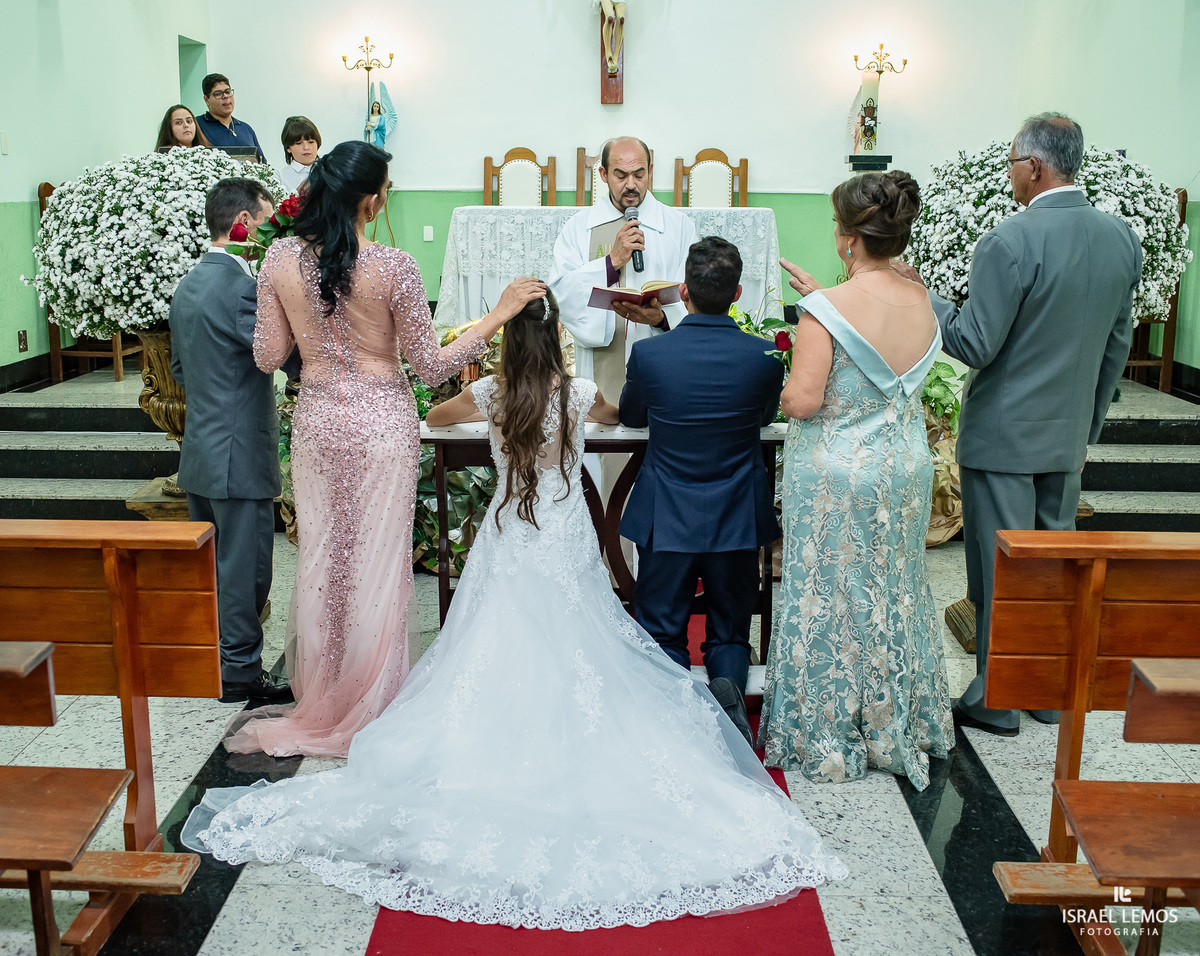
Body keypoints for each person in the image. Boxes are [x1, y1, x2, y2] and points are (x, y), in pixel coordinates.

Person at [181, 289, 846, 928]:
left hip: (509, 538)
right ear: (556, 338)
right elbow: (621, 419)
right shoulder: (578, 395)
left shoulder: (490, 393)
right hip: (563, 538)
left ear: (507, 339)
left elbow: (434, 419)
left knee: (493, 642)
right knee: (579, 638)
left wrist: (474, 404)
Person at [222, 140, 542, 757]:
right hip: (380, 424)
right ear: (372, 200)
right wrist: (497, 316)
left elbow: (265, 356)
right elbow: (429, 366)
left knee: (323, 558)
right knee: (375, 561)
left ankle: (322, 694)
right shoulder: (393, 267)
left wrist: (312, 338)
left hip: (317, 419)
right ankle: (368, 702)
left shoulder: (280, 258)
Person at [927, 113, 1141, 736]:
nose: (1009, 171)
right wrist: (1087, 429)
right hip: (1066, 437)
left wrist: (929, 301)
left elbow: (973, 342)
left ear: (1035, 167)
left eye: (1013, 160)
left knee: (1001, 569)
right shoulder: (1120, 239)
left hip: (1002, 440)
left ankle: (996, 697)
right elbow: (1116, 345)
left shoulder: (1009, 242)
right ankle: (1045, 694)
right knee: (1054, 567)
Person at [756, 171, 955, 789]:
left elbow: (805, 400)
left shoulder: (824, 310)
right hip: (904, 468)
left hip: (841, 475)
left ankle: (832, 728)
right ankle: (902, 719)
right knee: (894, 588)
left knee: (835, 596)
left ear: (847, 238)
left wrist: (787, 369)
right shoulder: (921, 298)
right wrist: (828, 304)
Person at [619, 236, 785, 747]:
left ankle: (670, 718)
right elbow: (762, 419)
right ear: (736, 293)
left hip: (667, 510)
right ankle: (728, 687)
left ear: (684, 291)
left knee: (663, 626)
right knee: (729, 629)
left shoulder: (651, 356)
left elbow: (631, 417)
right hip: (735, 512)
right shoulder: (763, 357)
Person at [169, 178, 293, 704]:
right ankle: (240, 674)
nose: (270, 234)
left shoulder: (187, 284)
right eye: (267, 221)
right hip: (237, 454)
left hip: (200, 451)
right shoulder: (243, 287)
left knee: (218, 571)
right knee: (246, 572)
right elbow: (279, 356)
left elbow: (178, 368)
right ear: (244, 223)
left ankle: (219, 663)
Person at [549, 136, 696, 395]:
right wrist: (611, 263)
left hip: (661, 359)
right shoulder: (579, 227)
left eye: (639, 175)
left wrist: (662, 320)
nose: (631, 185)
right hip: (600, 369)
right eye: (621, 175)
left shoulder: (678, 226)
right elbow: (559, 295)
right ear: (604, 174)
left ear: (650, 171)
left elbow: (693, 296)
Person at [196, 73, 266, 163]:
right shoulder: (197, 125)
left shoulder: (245, 129)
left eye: (228, 92)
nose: (225, 96)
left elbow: (262, 164)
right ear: (207, 100)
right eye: (218, 94)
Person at [277, 115, 321, 195]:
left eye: (311, 142)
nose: (306, 148)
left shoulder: (330, 171)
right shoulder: (279, 176)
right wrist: (297, 194)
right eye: (298, 143)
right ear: (288, 148)